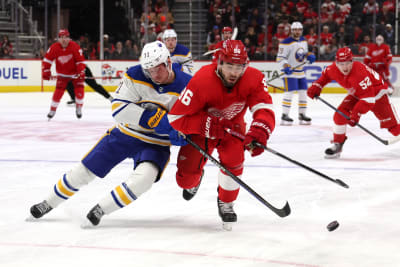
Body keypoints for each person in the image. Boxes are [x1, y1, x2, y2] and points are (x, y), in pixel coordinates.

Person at [30, 41, 191, 226]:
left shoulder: (187, 85)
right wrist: (150, 119)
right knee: (85, 170)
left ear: (168, 62)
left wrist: (181, 132)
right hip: (125, 134)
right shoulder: (135, 74)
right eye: (149, 70)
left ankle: (101, 209)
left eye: (157, 69)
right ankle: (48, 202)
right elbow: (118, 108)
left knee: (145, 179)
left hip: (157, 144)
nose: (153, 75)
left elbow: (190, 119)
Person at [168, 40, 276, 230]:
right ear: (218, 62)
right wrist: (205, 124)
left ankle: (226, 202)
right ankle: (196, 175)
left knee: (234, 161)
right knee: (185, 180)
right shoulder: (201, 80)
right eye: (229, 66)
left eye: (239, 66)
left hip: (233, 129)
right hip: (202, 130)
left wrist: (260, 129)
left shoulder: (254, 78)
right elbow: (176, 117)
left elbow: (263, 107)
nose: (234, 72)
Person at [307, 47, 400, 158]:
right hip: (357, 93)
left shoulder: (359, 73)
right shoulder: (333, 69)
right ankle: (338, 144)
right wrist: (317, 86)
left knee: (394, 128)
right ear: (336, 62)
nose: (344, 67)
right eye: (341, 63)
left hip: (377, 94)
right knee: (340, 114)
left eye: (347, 63)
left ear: (352, 61)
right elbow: (325, 76)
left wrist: (356, 114)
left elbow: (369, 99)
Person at [276, 21, 316, 126]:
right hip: (290, 72)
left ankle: (302, 115)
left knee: (303, 93)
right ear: (291, 30)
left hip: (300, 72)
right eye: (295, 30)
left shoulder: (303, 41)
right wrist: (286, 66)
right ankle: (284, 115)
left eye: (299, 30)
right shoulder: (285, 42)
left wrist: (309, 55)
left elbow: (304, 52)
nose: (297, 32)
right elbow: (280, 58)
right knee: (289, 93)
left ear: (301, 30)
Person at [42, 29, 86, 120]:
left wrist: (81, 72)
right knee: (58, 92)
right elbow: (47, 60)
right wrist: (46, 71)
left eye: (66, 37)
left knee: (79, 91)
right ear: (58, 39)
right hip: (62, 74)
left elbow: (80, 61)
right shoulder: (54, 47)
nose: (64, 40)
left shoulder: (75, 47)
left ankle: (79, 107)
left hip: (75, 74)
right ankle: (52, 110)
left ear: (69, 38)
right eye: (61, 38)